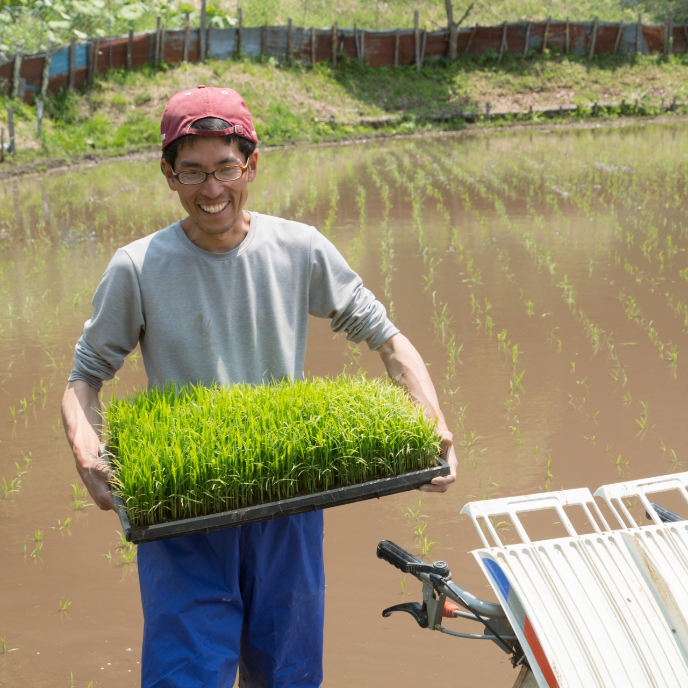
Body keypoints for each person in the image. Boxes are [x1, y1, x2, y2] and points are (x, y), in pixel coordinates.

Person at [61, 85, 457, 688]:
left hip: (287, 512)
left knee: (288, 676)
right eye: (192, 172)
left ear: (252, 164)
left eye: (226, 168)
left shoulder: (298, 247)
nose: (212, 190)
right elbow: (84, 377)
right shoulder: (137, 267)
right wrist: (88, 455)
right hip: (184, 518)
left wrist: (435, 425)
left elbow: (389, 340)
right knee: (185, 677)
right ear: (169, 175)